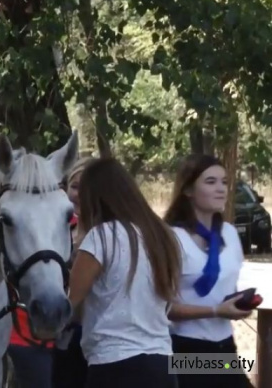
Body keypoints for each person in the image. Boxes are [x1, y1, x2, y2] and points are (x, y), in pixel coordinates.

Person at [68, 158, 181, 388]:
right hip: (162, 363)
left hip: (114, 364)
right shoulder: (161, 235)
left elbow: (70, 303)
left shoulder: (100, 237)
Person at [163, 154, 254, 388]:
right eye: (210, 182)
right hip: (185, 352)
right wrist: (215, 310)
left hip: (225, 349)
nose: (221, 189)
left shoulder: (230, 234)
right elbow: (164, 307)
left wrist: (238, 302)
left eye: (224, 182)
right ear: (188, 190)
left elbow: (227, 286)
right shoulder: (171, 238)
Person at [52, 158, 93, 388]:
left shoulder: (109, 236)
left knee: (221, 369)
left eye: (88, 188)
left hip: (99, 336)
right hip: (64, 337)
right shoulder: (60, 232)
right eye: (75, 187)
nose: (79, 195)